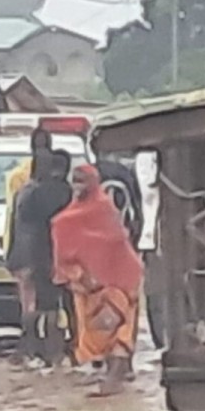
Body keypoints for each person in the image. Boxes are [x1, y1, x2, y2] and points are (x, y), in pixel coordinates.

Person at [51, 164, 144, 395]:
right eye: (75, 181)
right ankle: (114, 379)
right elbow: (68, 246)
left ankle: (113, 382)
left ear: (93, 183)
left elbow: (114, 240)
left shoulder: (103, 208)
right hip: (90, 284)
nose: (77, 186)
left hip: (118, 278)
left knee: (118, 329)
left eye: (82, 181)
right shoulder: (70, 215)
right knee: (99, 332)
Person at [11, 150, 74, 367]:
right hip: (61, 255)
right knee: (65, 304)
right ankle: (64, 351)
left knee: (37, 304)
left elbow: (19, 226)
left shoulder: (29, 192)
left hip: (35, 254)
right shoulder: (67, 192)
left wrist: (16, 258)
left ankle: (36, 351)